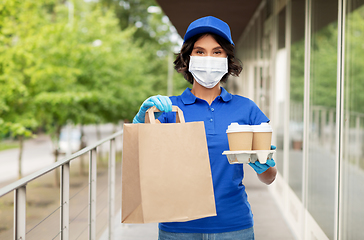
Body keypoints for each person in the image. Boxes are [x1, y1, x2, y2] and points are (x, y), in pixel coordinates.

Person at [132, 16, 277, 240]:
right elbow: (138, 161)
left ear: (227, 57)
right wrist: (141, 122)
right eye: (200, 51)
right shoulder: (169, 109)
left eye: (216, 52)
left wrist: (263, 165)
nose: (208, 58)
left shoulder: (246, 109)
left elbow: (269, 178)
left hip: (234, 228)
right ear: (187, 58)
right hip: (177, 230)